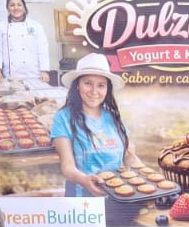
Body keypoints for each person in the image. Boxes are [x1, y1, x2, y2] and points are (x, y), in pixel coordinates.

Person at [51, 52, 144, 196]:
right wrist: (84, 180)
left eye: (101, 85)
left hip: (118, 197)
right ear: (77, 85)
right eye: (88, 83)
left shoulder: (114, 117)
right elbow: (67, 166)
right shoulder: (63, 117)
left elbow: (128, 156)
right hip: (82, 200)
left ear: (107, 90)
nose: (94, 91)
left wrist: (147, 176)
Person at [0, 0, 50, 83]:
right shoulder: (0, 26)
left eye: (19, 5)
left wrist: (44, 71)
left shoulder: (36, 26)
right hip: (10, 77)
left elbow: (43, 49)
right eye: (12, 5)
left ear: (24, 7)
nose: (16, 8)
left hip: (34, 74)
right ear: (7, 8)